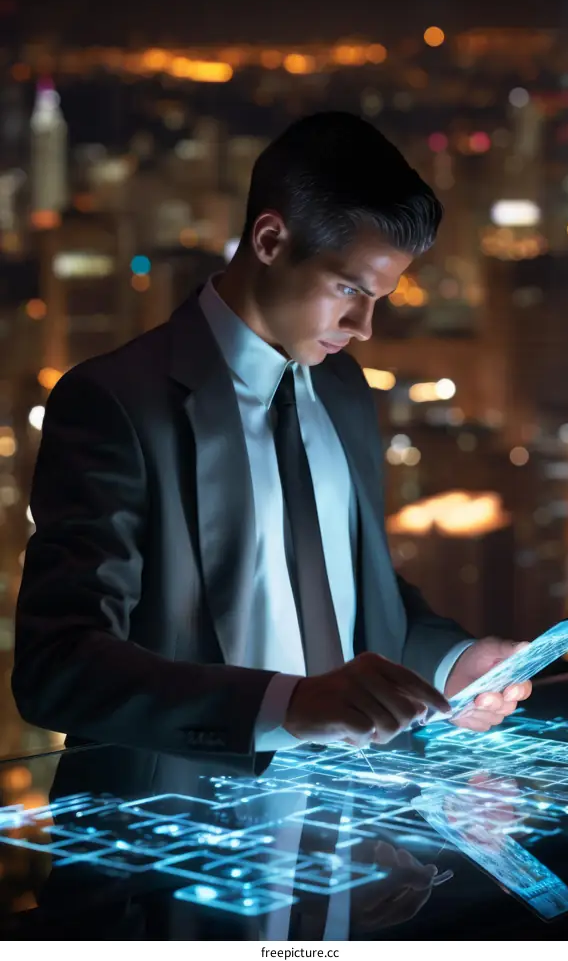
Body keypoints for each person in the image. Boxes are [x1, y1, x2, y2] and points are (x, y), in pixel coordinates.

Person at [11, 111, 531, 774]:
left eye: (380, 297)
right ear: (268, 239)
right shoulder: (118, 402)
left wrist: (454, 662)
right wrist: (286, 705)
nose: (365, 325)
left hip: (353, 839)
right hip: (180, 843)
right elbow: (58, 667)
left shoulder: (342, 388)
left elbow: (362, 588)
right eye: (348, 288)